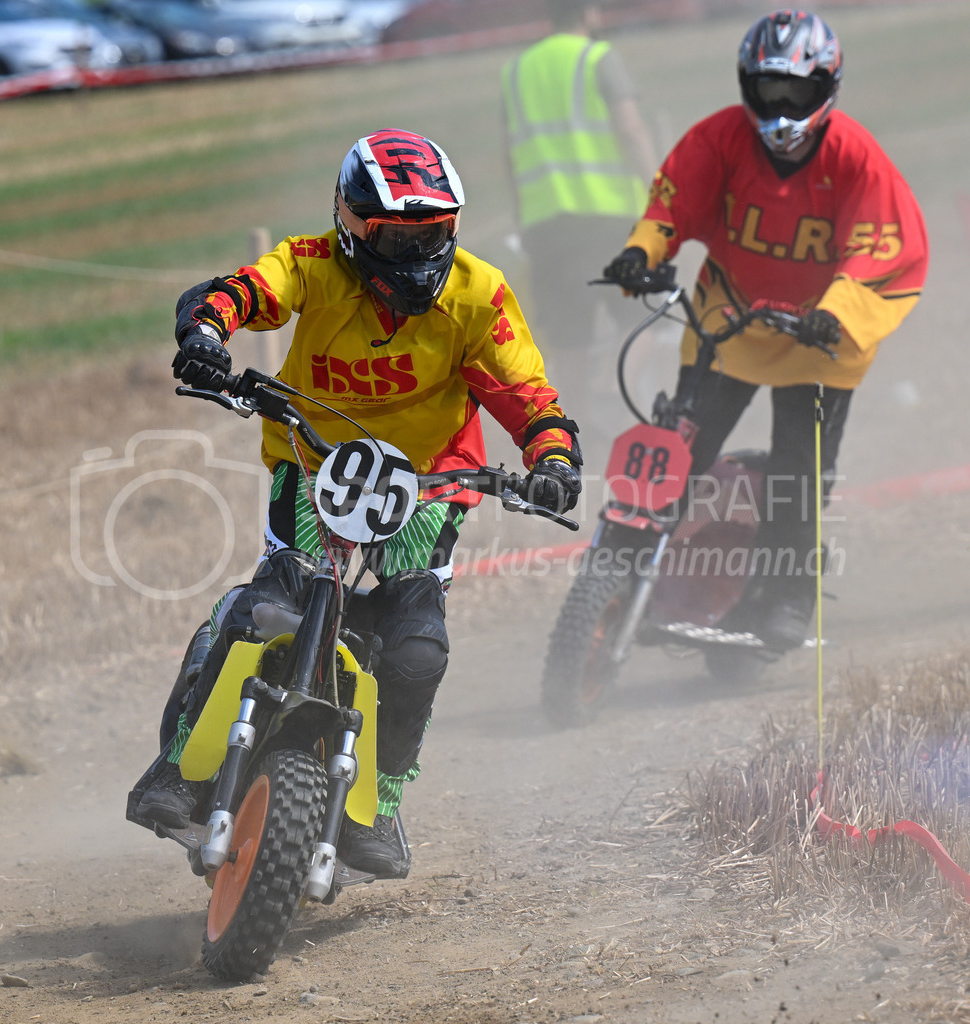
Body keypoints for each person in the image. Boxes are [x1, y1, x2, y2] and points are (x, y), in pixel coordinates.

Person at [136, 129, 583, 879]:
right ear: (351, 224)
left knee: (415, 650)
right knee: (265, 611)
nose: (417, 255)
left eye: (432, 235)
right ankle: (180, 765)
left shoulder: (480, 293)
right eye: (397, 238)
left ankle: (377, 802)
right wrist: (207, 331)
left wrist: (554, 459)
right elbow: (245, 291)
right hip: (316, 467)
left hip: (430, 481)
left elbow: (528, 394)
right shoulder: (310, 264)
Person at [603, 9, 928, 650]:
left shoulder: (856, 157)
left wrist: (832, 316)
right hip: (730, 323)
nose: (780, 108)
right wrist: (642, 252)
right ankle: (619, 568)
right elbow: (671, 204)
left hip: (817, 339)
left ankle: (785, 598)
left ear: (827, 88)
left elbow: (883, 244)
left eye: (796, 92)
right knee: (676, 447)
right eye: (766, 90)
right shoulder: (719, 139)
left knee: (799, 475)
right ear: (745, 86)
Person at [501, 0, 657, 386]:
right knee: (641, 320)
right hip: (608, 216)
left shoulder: (517, 71)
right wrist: (659, 192)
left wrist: (522, 218)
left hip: (544, 224)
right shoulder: (598, 58)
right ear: (589, 11)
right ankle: (612, 395)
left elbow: (509, 153)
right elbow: (631, 131)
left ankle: (574, 432)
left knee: (569, 339)